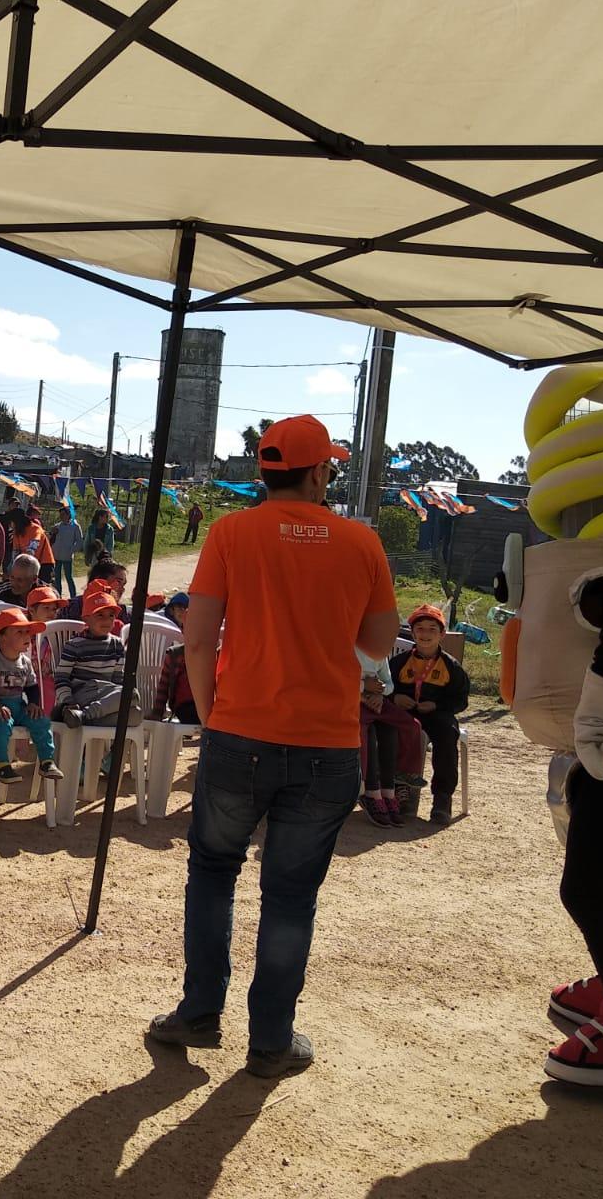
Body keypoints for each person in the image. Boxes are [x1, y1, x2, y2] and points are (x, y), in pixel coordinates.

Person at [148, 414, 398, 1080]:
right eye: (330, 469)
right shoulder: (361, 544)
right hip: (326, 746)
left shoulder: (231, 532)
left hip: (238, 733)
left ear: (266, 470)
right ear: (318, 472)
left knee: (213, 872)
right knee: (290, 896)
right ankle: (271, 1042)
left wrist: (211, 715)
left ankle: (200, 1013)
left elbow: (197, 640)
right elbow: (377, 647)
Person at [389, 603, 471, 826]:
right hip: (404, 715)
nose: (425, 634)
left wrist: (436, 705)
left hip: (438, 715)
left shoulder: (451, 667)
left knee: (447, 736)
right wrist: (395, 697)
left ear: (442, 634)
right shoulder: (398, 663)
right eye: (420, 629)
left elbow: (461, 700)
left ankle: (442, 799)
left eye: (432, 629)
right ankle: (401, 794)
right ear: (413, 632)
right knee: (392, 733)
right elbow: (384, 688)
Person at [0, 608, 65, 786]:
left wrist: (33, 704)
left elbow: (31, 686)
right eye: (20, 632)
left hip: (17, 706)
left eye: (28, 632)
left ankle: (47, 761)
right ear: (2, 637)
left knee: (42, 721)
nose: (27, 636)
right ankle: (1, 765)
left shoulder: (26, 662)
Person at [53, 590, 139, 729]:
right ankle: (83, 714)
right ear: (86, 618)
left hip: (106, 693)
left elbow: (118, 678)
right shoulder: (75, 644)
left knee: (135, 715)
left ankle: (82, 717)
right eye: (100, 615)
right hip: (83, 693)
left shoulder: (117, 644)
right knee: (131, 694)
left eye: (111, 615)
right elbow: (61, 677)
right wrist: (68, 701)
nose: (106, 620)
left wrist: (117, 698)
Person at [151, 592, 198, 724]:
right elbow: (163, 688)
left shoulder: (214, 654)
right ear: (182, 630)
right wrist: (157, 713)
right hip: (186, 707)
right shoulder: (175, 655)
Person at [24, 585, 65, 712]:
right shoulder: (23, 634)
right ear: (31, 611)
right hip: (25, 681)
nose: (51, 613)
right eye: (46, 608)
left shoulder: (58, 634)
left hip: (51, 682)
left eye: (54, 609)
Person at [61, 556, 129, 622]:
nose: (122, 589)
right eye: (118, 582)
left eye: (123, 585)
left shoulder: (121, 612)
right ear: (98, 580)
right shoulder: (70, 607)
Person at [12, 509, 56, 586]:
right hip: (27, 564)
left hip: (44, 563)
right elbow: (16, 551)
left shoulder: (35, 528)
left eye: (12, 523)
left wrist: (24, 563)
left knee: (42, 587)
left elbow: (33, 546)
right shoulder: (17, 533)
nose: (11, 525)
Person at [51, 508, 84, 598]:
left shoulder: (75, 526)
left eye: (63, 514)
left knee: (68, 577)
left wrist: (72, 550)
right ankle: (58, 595)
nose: (61, 516)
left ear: (68, 515)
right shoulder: (57, 526)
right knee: (57, 577)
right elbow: (52, 539)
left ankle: (73, 596)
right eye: (60, 515)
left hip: (67, 556)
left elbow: (79, 541)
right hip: (57, 555)